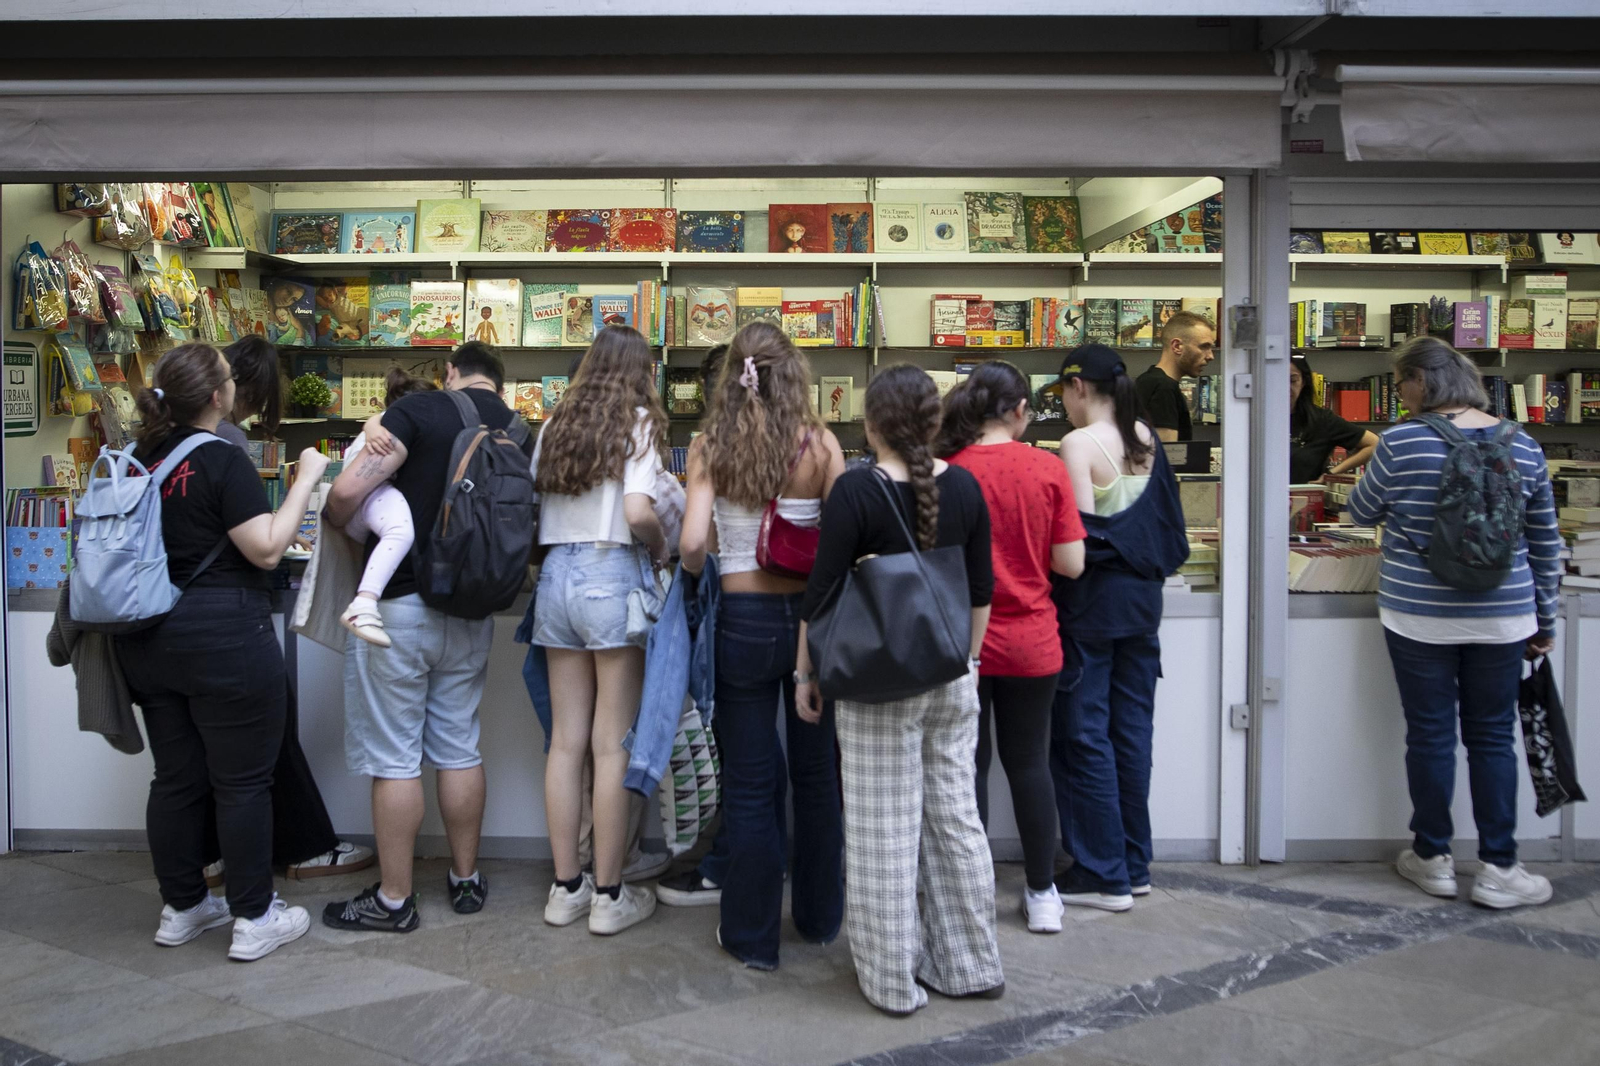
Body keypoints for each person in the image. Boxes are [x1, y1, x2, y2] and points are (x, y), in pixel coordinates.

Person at [796, 364, 1002, 1016]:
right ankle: (970, 965)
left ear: (871, 425)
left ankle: (892, 979)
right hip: (952, 675)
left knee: (883, 829)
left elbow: (821, 594)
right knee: (956, 819)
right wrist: (968, 661)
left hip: (875, 683)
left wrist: (805, 673)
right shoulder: (964, 486)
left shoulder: (857, 492)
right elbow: (981, 592)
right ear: (935, 422)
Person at [116, 342, 326, 961]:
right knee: (242, 783)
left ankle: (182, 907)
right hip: (225, 638)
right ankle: (254, 917)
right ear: (217, 395)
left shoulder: (135, 458)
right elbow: (266, 547)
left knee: (175, 779)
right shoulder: (220, 457)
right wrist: (306, 481)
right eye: (231, 378)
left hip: (147, 639)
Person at [321, 340, 529, 933]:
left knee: (395, 759)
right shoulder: (521, 430)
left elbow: (345, 495)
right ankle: (465, 879)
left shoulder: (420, 409)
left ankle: (394, 900)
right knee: (460, 747)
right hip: (472, 610)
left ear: (450, 372)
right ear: (499, 383)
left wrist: (339, 515)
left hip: (398, 609)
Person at [1346, 336, 1560, 909]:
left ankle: (1433, 857)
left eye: (1401, 383)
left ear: (1422, 379)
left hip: (1419, 615)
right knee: (1492, 737)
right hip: (1503, 616)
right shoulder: (1524, 444)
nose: (1399, 394)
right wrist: (1545, 618)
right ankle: (1499, 868)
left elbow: (1360, 510)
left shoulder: (1402, 442)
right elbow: (1545, 542)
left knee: (1430, 733)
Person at [677, 323, 845, 966]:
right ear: (792, 374)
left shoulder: (708, 445)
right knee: (816, 776)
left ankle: (752, 937)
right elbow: (843, 540)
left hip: (741, 622)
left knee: (749, 784)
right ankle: (820, 919)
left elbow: (693, 543)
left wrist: (707, 569)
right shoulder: (822, 445)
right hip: (811, 622)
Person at [191, 336, 374, 885]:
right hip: (230, 616)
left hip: (171, 626)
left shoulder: (161, 443)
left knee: (193, 754)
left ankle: (204, 862)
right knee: (269, 734)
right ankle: (300, 852)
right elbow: (264, 547)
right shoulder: (225, 442)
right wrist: (307, 480)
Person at [936, 360, 1086, 934]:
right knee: (1029, 765)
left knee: (967, 765)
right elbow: (1071, 564)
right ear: (1021, 410)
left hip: (961, 642)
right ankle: (1043, 892)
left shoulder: (949, 469)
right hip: (1032, 642)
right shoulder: (1047, 468)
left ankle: (967, 891)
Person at [531, 326, 669, 936]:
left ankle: (566, 889)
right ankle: (609, 896)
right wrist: (660, 547)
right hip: (611, 572)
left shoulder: (556, 423)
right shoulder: (638, 422)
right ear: (640, 371)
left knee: (566, 742)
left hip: (556, 575)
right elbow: (638, 511)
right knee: (612, 744)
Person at [1054, 344, 1190, 911]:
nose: (1062, 406)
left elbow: (1079, 543)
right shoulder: (1146, 437)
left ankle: (1100, 872)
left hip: (1092, 609)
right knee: (1132, 734)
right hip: (1143, 606)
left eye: (1062, 393)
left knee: (1085, 735)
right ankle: (1134, 866)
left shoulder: (1078, 444)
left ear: (1078, 387)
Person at [335, 367, 436, 647]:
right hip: (370, 493)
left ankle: (363, 598)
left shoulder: (382, 420)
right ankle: (364, 604)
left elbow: (374, 421)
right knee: (400, 531)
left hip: (362, 509)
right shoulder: (395, 425)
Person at [1289, 354, 1378, 483]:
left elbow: (1374, 444)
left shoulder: (1322, 420)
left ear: (1303, 382)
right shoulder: (1258, 419)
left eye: (1292, 381)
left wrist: (1331, 474)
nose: (1285, 387)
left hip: (1305, 494)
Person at [1134, 310, 1216, 442]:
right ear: (1177, 346)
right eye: (1204, 347)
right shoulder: (1163, 388)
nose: (1210, 356)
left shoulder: (1149, 381)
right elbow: (1168, 452)